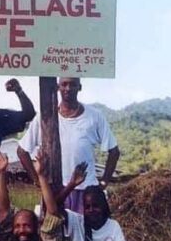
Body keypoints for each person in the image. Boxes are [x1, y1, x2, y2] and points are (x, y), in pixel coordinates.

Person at [18, 77, 120, 213]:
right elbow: (21, 151)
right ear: (57, 87)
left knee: (86, 233)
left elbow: (114, 151)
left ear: (80, 87)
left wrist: (104, 182)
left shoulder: (94, 116)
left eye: (72, 84)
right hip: (55, 191)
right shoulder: (45, 116)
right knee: (54, 230)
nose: (68, 88)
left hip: (86, 192)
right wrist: (37, 180)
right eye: (64, 84)